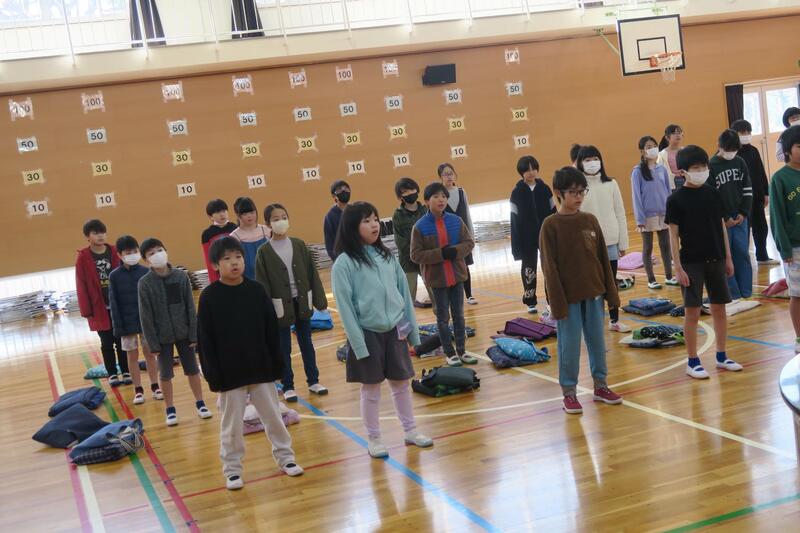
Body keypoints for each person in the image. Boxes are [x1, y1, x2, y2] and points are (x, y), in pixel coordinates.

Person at [197, 237, 303, 490]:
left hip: (261, 369)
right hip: (229, 374)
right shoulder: (209, 297)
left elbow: (271, 331)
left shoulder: (257, 290)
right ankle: (232, 469)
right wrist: (213, 375)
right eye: (227, 259)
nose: (234, 263)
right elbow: (205, 340)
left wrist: (277, 365)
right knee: (231, 426)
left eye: (238, 257)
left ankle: (286, 458)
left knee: (274, 417)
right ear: (215, 265)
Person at [331, 201, 433, 458]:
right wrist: (358, 344)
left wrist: (412, 333)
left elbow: (404, 296)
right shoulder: (344, 263)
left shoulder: (387, 256)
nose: (374, 225)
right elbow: (345, 308)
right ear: (352, 227)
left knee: (401, 384)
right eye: (366, 221)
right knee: (371, 389)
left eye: (375, 219)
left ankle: (410, 431)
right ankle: (374, 439)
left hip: (395, 329)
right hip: (367, 332)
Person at [539, 166, 623, 415]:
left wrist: (611, 294)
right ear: (558, 193)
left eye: (582, 191)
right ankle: (569, 393)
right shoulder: (550, 225)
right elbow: (549, 268)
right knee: (569, 346)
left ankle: (601, 386)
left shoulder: (590, 220)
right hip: (568, 299)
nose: (578, 197)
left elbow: (603, 260)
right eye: (573, 192)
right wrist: (557, 304)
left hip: (594, 293)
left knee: (597, 342)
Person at [666, 145, 743, 379]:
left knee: (719, 308)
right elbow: (673, 235)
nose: (701, 171)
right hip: (691, 262)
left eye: (703, 167)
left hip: (716, 258)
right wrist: (678, 267)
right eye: (696, 168)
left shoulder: (713, 194)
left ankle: (721, 355)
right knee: (692, 312)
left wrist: (728, 257)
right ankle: (692, 361)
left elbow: (721, 226)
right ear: (682, 172)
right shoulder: (675, 199)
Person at [256, 204, 329, 403]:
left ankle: (313, 381)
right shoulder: (264, 251)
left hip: (302, 301)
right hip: (279, 307)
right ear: (268, 223)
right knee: (283, 348)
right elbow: (263, 284)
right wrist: (265, 313)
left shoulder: (299, 244)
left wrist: (320, 301)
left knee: (307, 343)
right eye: (275, 219)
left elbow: (312, 274)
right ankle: (288, 385)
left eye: (284, 217)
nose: (281, 221)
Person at [138, 238, 212, 426]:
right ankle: (170, 409)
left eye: (159, 250)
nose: (157, 255)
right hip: (161, 338)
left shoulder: (180, 276)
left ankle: (200, 403)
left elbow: (190, 307)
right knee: (165, 374)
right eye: (151, 253)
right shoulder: (144, 283)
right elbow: (145, 316)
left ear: (166, 251)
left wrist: (194, 334)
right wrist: (152, 343)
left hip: (184, 333)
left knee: (192, 370)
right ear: (146, 260)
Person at [411, 182, 477, 367]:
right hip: (437, 279)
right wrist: (440, 254)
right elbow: (415, 255)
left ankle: (462, 351)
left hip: (457, 276)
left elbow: (469, 243)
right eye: (436, 197)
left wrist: (455, 251)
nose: (441, 200)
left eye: (443, 196)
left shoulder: (456, 221)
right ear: (426, 201)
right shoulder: (420, 226)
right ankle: (449, 353)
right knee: (442, 319)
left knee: (459, 315)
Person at [576, 146, 631, 333]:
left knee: (611, 283)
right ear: (580, 163)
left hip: (611, 241)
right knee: (593, 284)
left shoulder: (611, 183)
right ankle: (594, 321)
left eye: (595, 158)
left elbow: (620, 213)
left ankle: (614, 320)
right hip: (588, 244)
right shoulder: (578, 188)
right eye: (587, 160)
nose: (592, 163)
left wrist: (623, 242)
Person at [109, 235, 161, 404]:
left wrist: (155, 322)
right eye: (127, 252)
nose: (132, 255)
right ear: (119, 255)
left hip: (146, 323)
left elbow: (153, 300)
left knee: (150, 354)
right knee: (132, 356)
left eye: (134, 251)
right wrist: (119, 327)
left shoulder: (146, 272)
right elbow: (114, 304)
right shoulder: (114, 276)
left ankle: (155, 386)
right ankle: (138, 390)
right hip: (126, 324)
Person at [75, 219, 127, 387]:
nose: (100, 236)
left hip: (119, 306)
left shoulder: (115, 251)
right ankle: (112, 373)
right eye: (96, 233)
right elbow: (81, 284)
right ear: (87, 236)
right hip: (99, 308)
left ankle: (126, 370)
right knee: (106, 343)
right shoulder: (83, 257)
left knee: (121, 340)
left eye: (103, 232)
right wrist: (86, 310)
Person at [709, 129, 754, 300]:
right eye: (728, 149)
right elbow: (713, 197)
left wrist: (744, 212)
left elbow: (747, 188)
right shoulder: (711, 165)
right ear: (719, 146)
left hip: (740, 216)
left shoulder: (740, 162)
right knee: (726, 256)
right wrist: (725, 217)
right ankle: (733, 293)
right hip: (722, 219)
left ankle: (746, 291)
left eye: (734, 150)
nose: (731, 153)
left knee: (742, 252)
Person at [510, 155, 555, 313]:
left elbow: (553, 212)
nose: (531, 172)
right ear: (521, 172)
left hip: (545, 236)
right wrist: (516, 246)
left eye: (533, 168)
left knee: (549, 268)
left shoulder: (545, 189)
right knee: (529, 269)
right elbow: (514, 219)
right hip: (526, 238)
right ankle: (530, 300)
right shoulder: (516, 193)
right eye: (527, 170)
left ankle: (551, 299)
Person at [769, 125, 800, 354]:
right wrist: (784, 248)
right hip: (795, 247)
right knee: (797, 295)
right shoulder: (780, 178)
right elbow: (777, 216)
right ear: (788, 150)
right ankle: (799, 337)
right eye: (799, 146)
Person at [631, 136, 677, 289]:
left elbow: (668, 192)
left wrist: (670, 212)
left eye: (654, 145)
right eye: (649, 146)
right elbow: (636, 196)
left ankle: (669, 276)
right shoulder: (637, 172)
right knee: (648, 247)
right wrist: (640, 219)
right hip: (647, 215)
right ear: (642, 151)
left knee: (665, 245)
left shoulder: (661, 169)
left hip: (663, 214)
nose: (652, 149)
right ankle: (651, 279)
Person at [731, 119, 778, 265]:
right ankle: (742, 260)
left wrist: (765, 192)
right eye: (742, 132)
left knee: (761, 227)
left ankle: (762, 256)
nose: (746, 134)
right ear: (735, 134)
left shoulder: (753, 150)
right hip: (741, 199)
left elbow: (761, 172)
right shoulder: (731, 153)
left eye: (748, 132)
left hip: (756, 196)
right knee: (743, 230)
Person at [437, 163, 478, 305]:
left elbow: (467, 214)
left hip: (462, 235)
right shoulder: (439, 195)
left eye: (451, 173)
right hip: (447, 237)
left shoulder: (461, 191)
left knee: (464, 265)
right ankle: (452, 296)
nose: (449, 176)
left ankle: (469, 295)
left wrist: (471, 236)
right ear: (440, 177)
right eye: (445, 174)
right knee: (449, 266)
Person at [391, 177, 435, 309]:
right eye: (405, 192)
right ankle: (407, 322)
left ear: (417, 190)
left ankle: (442, 319)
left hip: (427, 260)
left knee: (436, 293)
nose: (409, 193)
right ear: (400, 197)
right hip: (408, 262)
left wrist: (426, 253)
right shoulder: (398, 215)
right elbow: (400, 241)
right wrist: (415, 253)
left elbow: (432, 234)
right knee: (408, 297)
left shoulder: (426, 211)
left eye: (412, 189)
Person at [230, 196, 271, 279]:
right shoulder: (234, 237)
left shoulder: (267, 230)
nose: (249, 216)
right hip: (247, 278)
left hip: (268, 276)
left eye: (252, 212)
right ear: (238, 215)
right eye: (245, 214)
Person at [201, 199, 238, 283]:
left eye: (224, 211)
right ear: (210, 216)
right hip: (219, 274)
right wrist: (214, 281)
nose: (222, 214)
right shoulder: (207, 234)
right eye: (218, 212)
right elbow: (209, 259)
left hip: (237, 271)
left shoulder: (235, 228)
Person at [323, 180, 351, 261]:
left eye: (346, 188)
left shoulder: (357, 211)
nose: (344, 191)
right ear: (333, 195)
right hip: (343, 259)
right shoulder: (330, 217)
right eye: (339, 189)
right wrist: (338, 260)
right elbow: (330, 244)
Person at [657, 124, 686, 189]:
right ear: (667, 138)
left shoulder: (686, 151)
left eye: (679, 132)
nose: (678, 135)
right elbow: (659, 173)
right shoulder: (661, 154)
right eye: (674, 133)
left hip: (686, 181)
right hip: (671, 185)